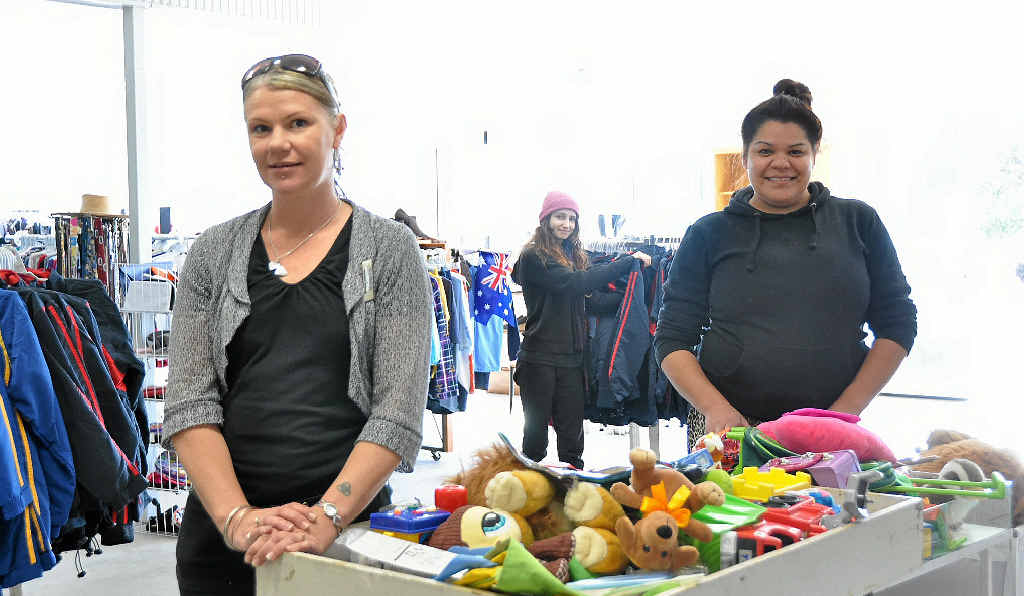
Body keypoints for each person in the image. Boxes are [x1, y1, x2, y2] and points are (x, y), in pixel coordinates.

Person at [162, 54, 433, 595]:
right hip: (223, 537)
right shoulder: (212, 254)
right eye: (260, 128)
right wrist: (238, 519)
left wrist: (327, 517)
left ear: (338, 129)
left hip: (347, 534)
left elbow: (397, 411)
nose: (277, 143)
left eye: (298, 123)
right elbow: (189, 402)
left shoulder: (391, 250)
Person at [655, 79, 917, 448]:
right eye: (765, 151)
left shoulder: (858, 222)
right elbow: (671, 339)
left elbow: (898, 323)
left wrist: (844, 414)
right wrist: (716, 408)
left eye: (796, 151)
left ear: (814, 153)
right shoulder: (708, 233)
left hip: (832, 426)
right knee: (728, 508)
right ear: (745, 155)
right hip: (731, 427)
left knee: (830, 509)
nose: (780, 164)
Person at [511, 191, 650, 469]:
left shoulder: (572, 254)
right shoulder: (533, 256)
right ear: (546, 219)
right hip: (539, 357)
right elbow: (575, 284)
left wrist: (632, 294)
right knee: (535, 438)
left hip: (573, 359)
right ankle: (529, 493)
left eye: (572, 218)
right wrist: (626, 261)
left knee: (572, 436)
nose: (567, 224)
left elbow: (592, 299)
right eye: (560, 217)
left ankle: (573, 492)